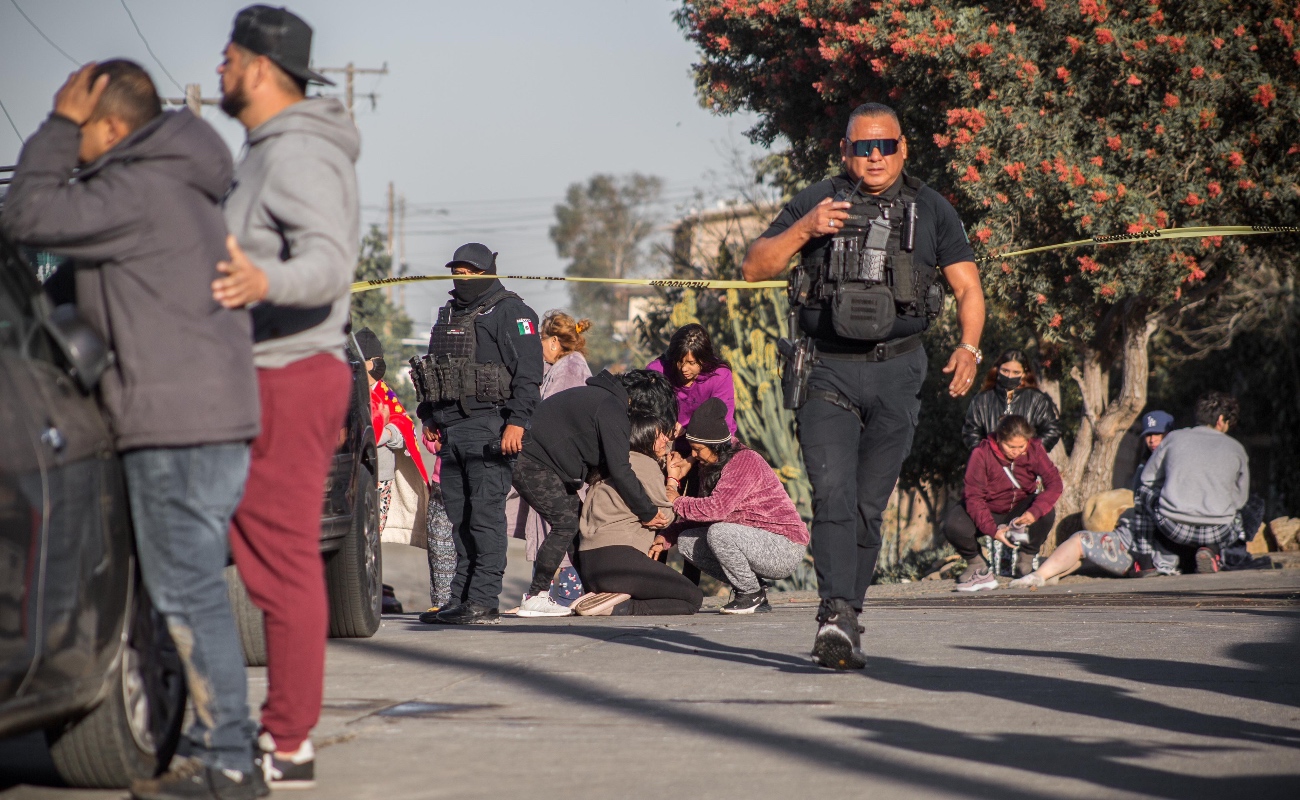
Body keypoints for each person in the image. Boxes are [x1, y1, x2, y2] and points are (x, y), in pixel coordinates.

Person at [1, 60, 264, 799]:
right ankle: (223, 751)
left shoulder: (135, 188)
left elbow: (23, 219)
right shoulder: (174, 183)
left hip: (175, 425)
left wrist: (53, 124)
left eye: (77, 125)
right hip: (205, 418)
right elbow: (59, 287)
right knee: (190, 591)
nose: (69, 137)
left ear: (111, 127)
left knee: (186, 595)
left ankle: (232, 762)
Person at [742, 101, 985, 669]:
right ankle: (833, 613)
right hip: (826, 368)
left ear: (904, 148)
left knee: (868, 506)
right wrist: (806, 228)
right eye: (862, 147)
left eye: (885, 145)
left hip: (899, 370)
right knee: (831, 494)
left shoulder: (934, 209)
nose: (874, 157)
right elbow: (755, 267)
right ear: (846, 150)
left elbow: (968, 289)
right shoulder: (817, 199)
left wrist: (969, 347)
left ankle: (849, 611)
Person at [211, 5, 359, 789]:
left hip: (289, 374)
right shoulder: (269, 149)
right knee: (231, 551)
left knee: (282, 564)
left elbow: (330, 264)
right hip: (262, 374)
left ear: (262, 67)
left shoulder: (297, 152)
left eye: (228, 58)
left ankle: (288, 741)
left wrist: (267, 281)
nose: (218, 71)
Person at [412, 242, 543, 624]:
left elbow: (529, 375)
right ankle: (459, 599)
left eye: (470, 272)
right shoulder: (450, 313)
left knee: (484, 518)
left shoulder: (512, 312)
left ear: (488, 271)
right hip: (451, 430)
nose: (462, 278)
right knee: (460, 520)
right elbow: (436, 370)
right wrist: (429, 415)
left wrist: (517, 422)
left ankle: (484, 600)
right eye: (458, 271)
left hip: (490, 426)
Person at [510, 369, 673, 616]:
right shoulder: (612, 409)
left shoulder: (601, 398)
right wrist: (648, 512)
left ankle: (588, 589)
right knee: (565, 523)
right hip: (532, 462)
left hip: (544, 464)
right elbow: (620, 469)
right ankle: (535, 595)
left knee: (577, 523)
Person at [664, 399, 809, 614]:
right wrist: (670, 535)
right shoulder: (711, 464)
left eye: (697, 449)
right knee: (688, 542)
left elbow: (717, 509)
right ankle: (753, 590)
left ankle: (750, 594)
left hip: (784, 546)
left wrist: (676, 500)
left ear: (714, 446)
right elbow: (705, 514)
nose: (693, 455)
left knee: (719, 533)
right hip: (752, 540)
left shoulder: (744, 461)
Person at [571, 414, 704, 616]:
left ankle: (600, 597)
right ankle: (621, 608)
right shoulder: (643, 464)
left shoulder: (610, 464)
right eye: (659, 436)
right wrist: (672, 480)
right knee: (692, 598)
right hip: (620, 562)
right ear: (644, 437)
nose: (665, 441)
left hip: (591, 566)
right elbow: (665, 518)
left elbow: (663, 448)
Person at [505, 311, 594, 609]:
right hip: (556, 464)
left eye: (541, 340)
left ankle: (555, 594)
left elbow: (553, 419)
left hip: (557, 465)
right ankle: (547, 593)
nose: (539, 347)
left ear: (554, 341)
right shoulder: (564, 366)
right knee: (560, 525)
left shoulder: (569, 370)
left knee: (560, 525)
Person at [1128, 392, 1251, 575]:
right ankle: (1212, 550)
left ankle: (1146, 561)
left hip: (1173, 527)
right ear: (1220, 420)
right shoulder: (1236, 448)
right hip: (1218, 530)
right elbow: (1240, 500)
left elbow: (1147, 480)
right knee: (1242, 512)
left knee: (1142, 493)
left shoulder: (1174, 438)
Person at [944, 415, 1063, 591]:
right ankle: (976, 563)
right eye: (1010, 446)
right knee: (953, 525)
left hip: (1019, 507)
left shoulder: (1035, 450)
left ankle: (1026, 558)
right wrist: (992, 530)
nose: (1016, 451)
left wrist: (1034, 512)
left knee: (1047, 512)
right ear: (999, 439)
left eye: (1021, 446)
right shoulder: (981, 454)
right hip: (987, 508)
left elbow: (1054, 483)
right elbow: (974, 496)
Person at [356, 328, 428, 615]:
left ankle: (370, 587)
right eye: (373, 360)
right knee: (361, 537)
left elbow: (402, 424)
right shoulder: (354, 393)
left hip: (381, 478)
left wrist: (385, 431)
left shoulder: (383, 391)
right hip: (359, 476)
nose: (377, 365)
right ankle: (360, 589)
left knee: (372, 535)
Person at [960, 349, 1063, 452]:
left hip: (1027, 465)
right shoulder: (982, 400)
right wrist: (987, 455)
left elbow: (1052, 430)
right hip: (991, 464)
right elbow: (971, 432)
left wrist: (1029, 452)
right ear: (997, 370)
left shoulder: (1036, 399)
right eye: (1005, 371)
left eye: (1016, 372)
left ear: (1024, 374)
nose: (1010, 376)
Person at [647, 322, 737, 436]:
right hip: (666, 442)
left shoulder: (720, 376)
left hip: (709, 443)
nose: (684, 368)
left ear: (704, 359)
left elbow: (723, 426)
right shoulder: (657, 372)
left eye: (691, 363)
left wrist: (689, 437)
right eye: (679, 361)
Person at [1130, 410, 1174, 492]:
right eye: (1148, 435)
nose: (1152, 440)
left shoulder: (1179, 463)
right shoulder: (1142, 469)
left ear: (1169, 434)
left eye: (1157, 433)